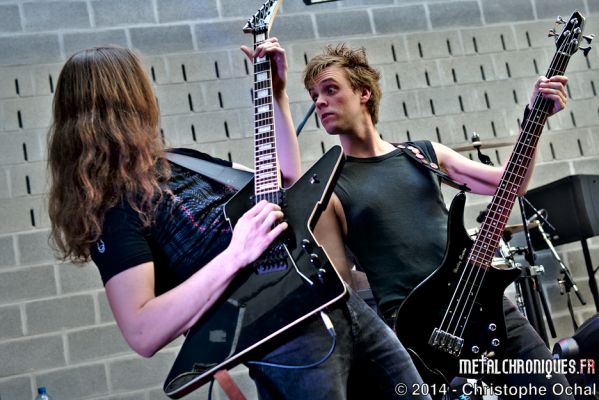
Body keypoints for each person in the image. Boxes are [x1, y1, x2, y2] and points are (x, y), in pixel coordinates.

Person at [47, 40, 430, 399]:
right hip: (286, 339)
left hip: (342, 304)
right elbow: (142, 331)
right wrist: (236, 254)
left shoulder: (183, 162)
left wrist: (277, 94)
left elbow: (283, 181)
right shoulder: (115, 210)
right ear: (131, 99)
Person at [298, 43, 575, 399]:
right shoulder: (330, 189)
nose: (320, 102)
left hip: (481, 303)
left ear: (363, 92)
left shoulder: (422, 154)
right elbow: (341, 290)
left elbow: (509, 183)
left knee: (554, 392)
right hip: (416, 336)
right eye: (314, 96)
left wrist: (533, 119)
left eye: (330, 89)